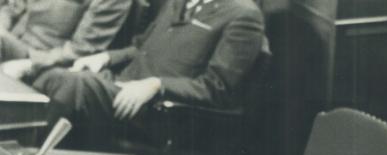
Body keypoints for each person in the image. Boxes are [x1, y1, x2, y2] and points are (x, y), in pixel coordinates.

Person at [35, 0, 265, 145]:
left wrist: (157, 85)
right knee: (53, 75)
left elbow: (217, 88)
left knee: (73, 84)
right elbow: (140, 47)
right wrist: (106, 57)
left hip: (157, 110)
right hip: (121, 86)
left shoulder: (243, 14)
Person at [0, 0, 132, 84]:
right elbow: (11, 7)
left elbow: (81, 49)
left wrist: (32, 64)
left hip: (46, 61)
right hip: (12, 41)